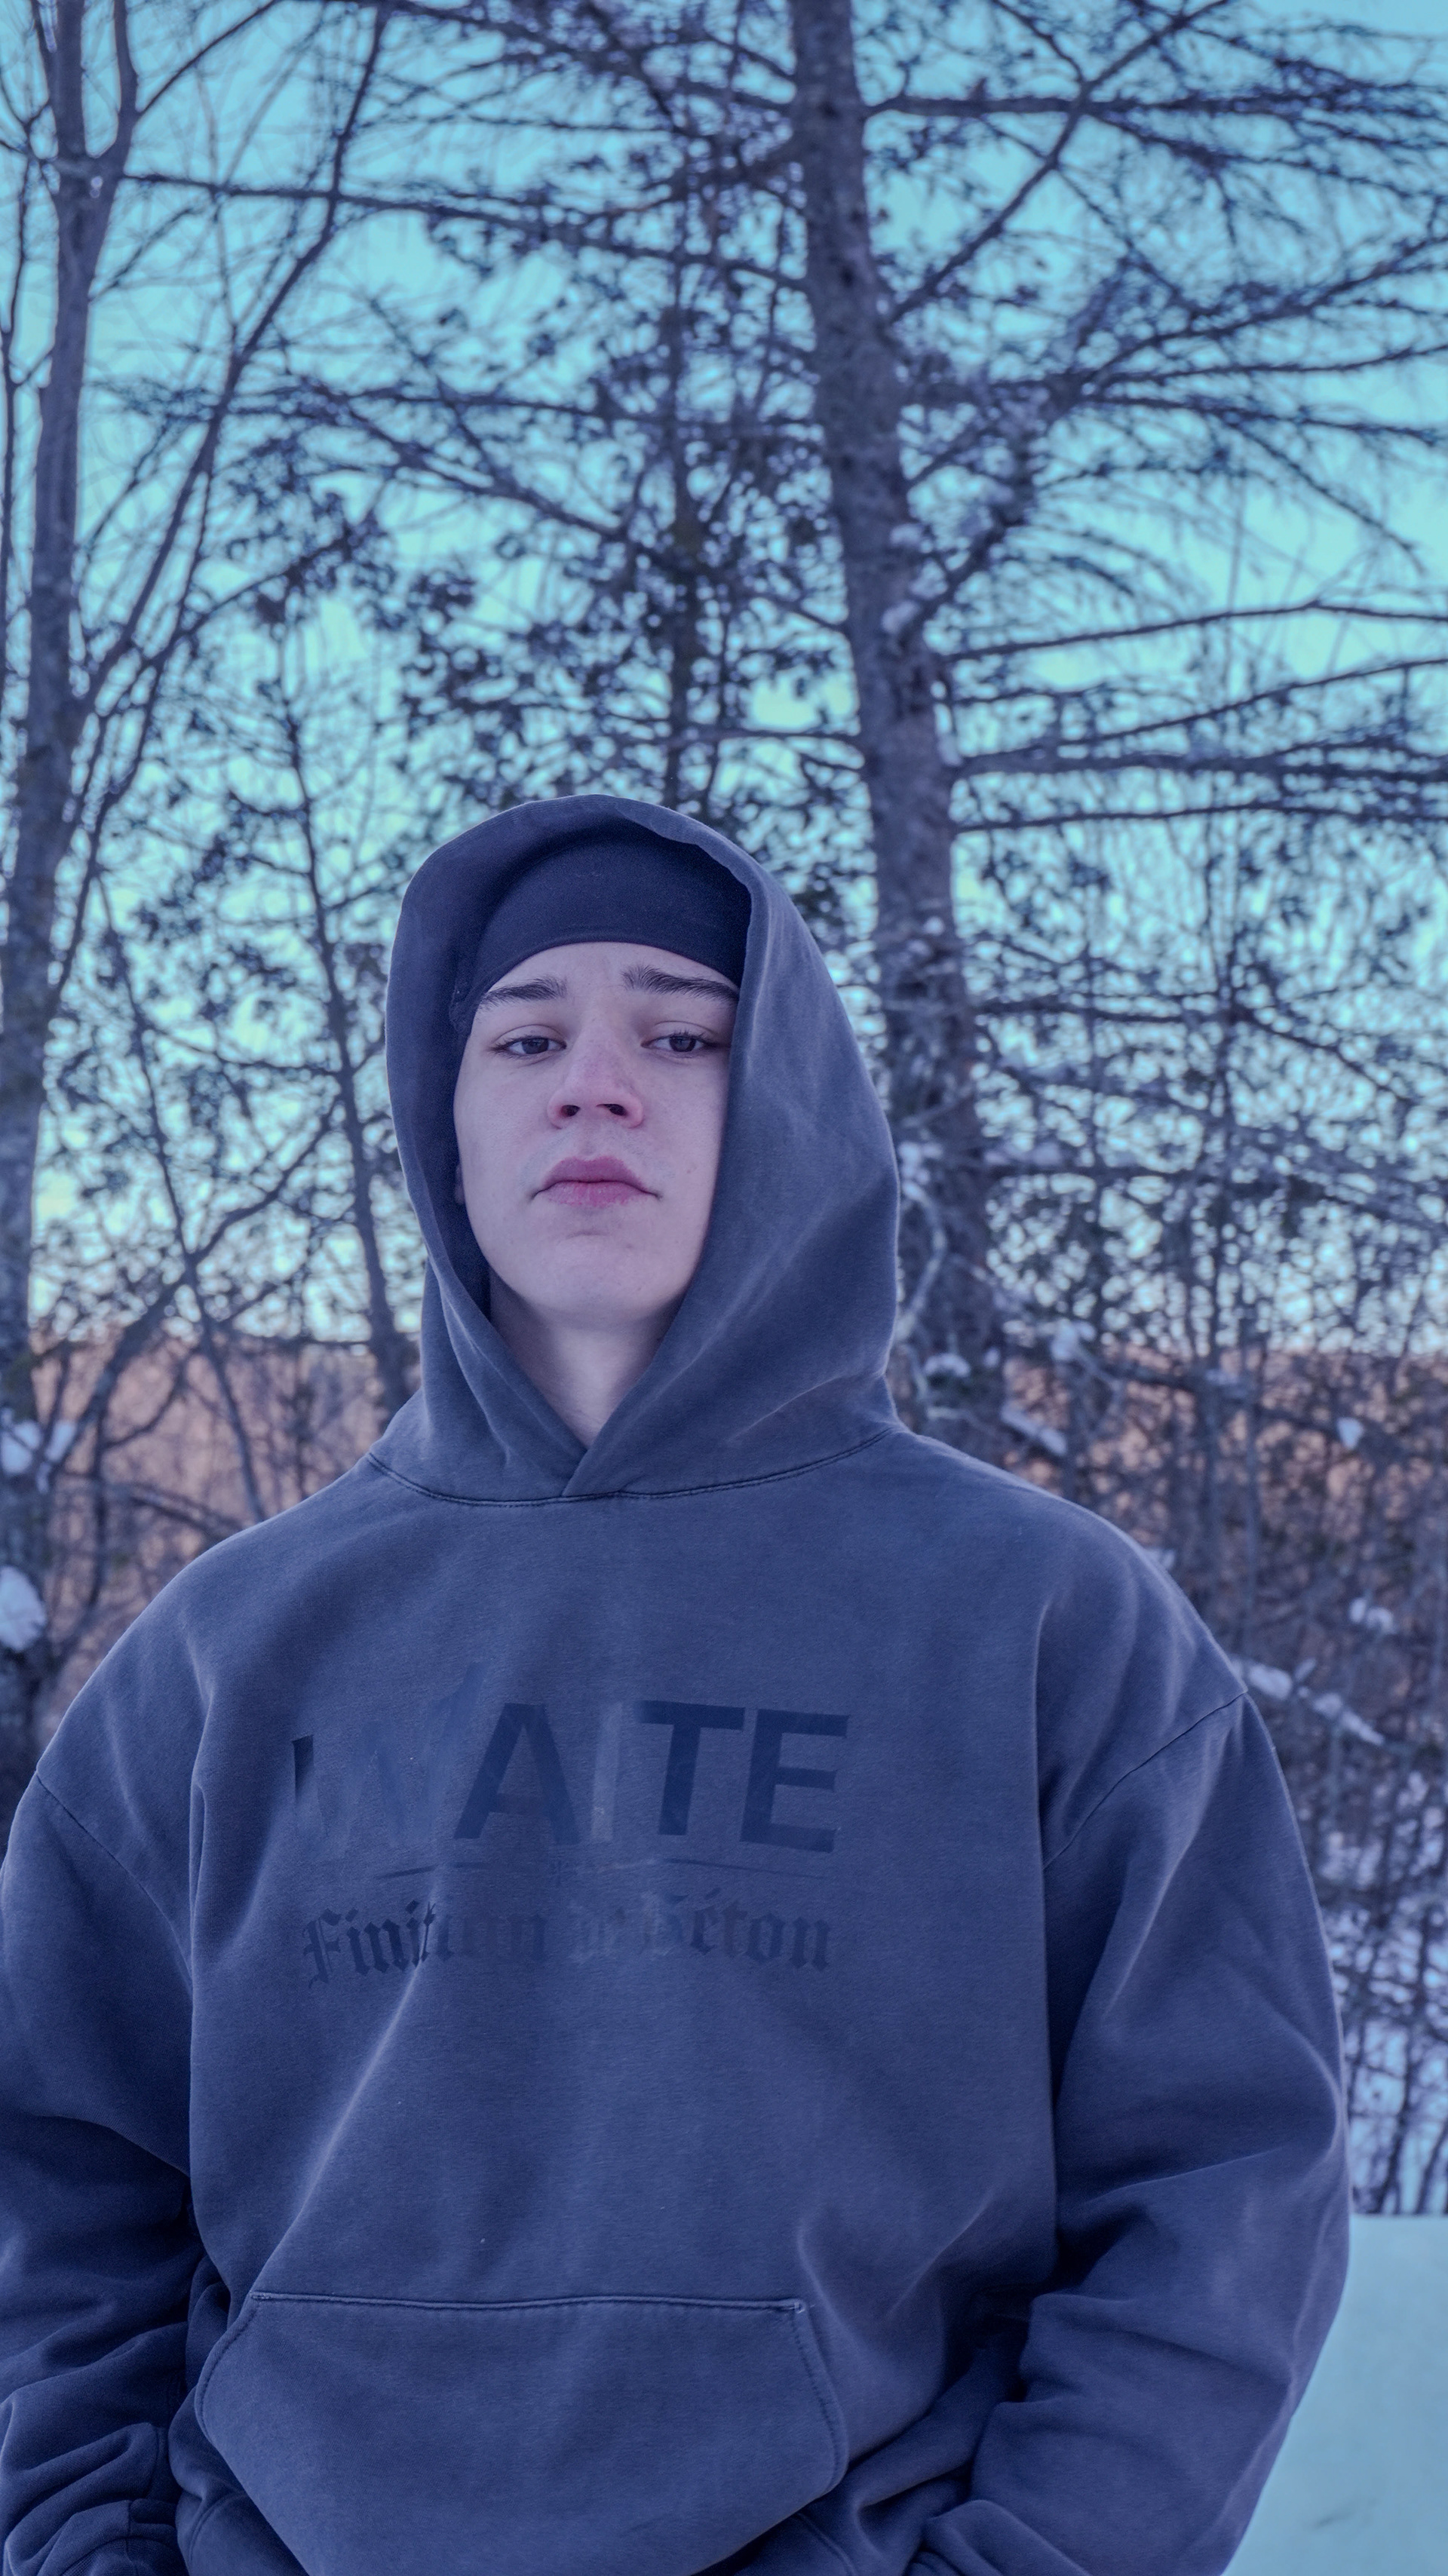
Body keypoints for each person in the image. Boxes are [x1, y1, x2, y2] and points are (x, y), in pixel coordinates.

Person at [0, 795, 1348, 2576]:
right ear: (446, 1112)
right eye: (526, 1037)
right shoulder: (220, 1654)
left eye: (682, 1033)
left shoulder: (1042, 1621)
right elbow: (57, 2195)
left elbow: (1222, 2190)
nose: (595, 1084)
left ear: (784, 1097)